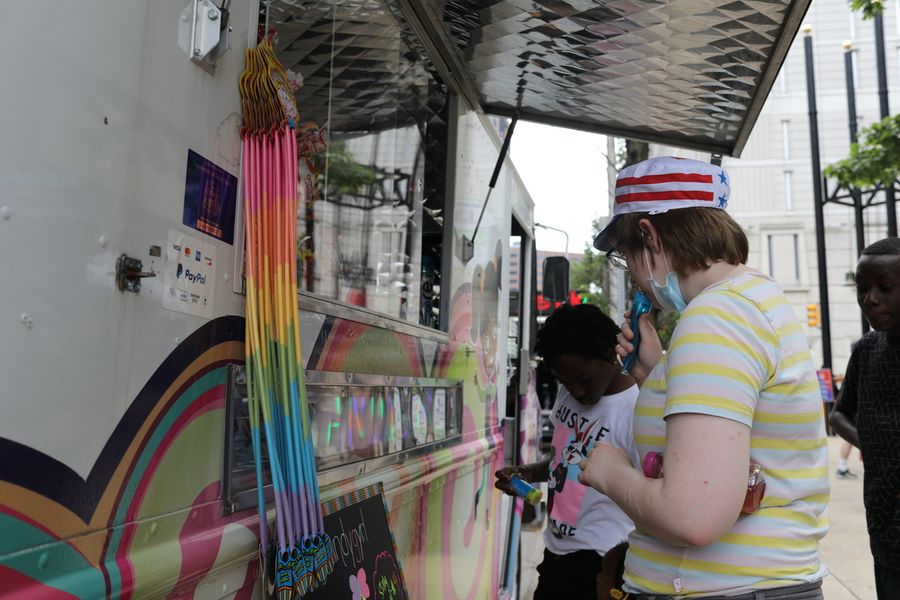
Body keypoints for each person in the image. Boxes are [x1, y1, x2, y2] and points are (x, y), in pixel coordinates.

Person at [580, 156, 829, 598]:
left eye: (624, 257)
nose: (633, 275)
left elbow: (693, 515)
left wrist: (610, 473)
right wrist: (657, 375)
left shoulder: (716, 317)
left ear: (648, 234)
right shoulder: (752, 300)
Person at [494, 303, 639, 600]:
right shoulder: (568, 394)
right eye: (564, 381)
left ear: (612, 354)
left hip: (602, 561)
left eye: (583, 380)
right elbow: (564, 460)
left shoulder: (636, 408)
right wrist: (527, 473)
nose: (576, 391)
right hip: (556, 552)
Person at [830, 237, 900, 599]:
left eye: (885, 288)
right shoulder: (867, 350)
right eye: (862, 289)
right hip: (884, 516)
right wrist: (870, 440)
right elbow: (838, 414)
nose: (870, 299)